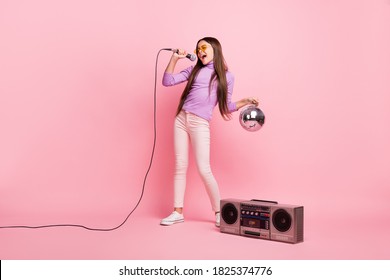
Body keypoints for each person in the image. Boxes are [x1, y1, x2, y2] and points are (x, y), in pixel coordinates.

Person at [160, 37, 259, 227]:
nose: (199, 52)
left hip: (200, 123)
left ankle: (219, 212)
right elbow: (167, 81)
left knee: (204, 169)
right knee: (180, 165)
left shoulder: (227, 77)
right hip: (181, 119)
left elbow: (226, 106)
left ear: (215, 49)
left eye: (203, 48)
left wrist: (245, 101)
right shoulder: (194, 69)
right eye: (197, 49)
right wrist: (174, 59)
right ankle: (177, 212)